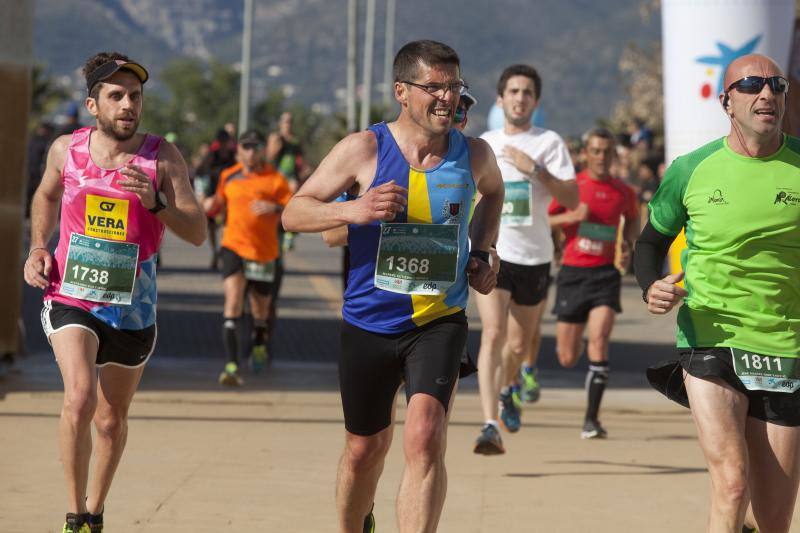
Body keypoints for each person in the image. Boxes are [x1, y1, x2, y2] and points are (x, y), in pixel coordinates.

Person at [282, 39, 503, 532]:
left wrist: (483, 250)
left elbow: (494, 192)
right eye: (435, 87)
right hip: (369, 323)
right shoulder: (364, 149)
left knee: (425, 437)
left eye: (454, 86)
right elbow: (293, 213)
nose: (447, 97)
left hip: (438, 320)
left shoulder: (475, 154)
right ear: (402, 91)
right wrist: (354, 209)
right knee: (364, 449)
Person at [23, 52, 206, 533]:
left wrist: (156, 203)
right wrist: (38, 247)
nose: (128, 105)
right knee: (80, 398)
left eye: (135, 96)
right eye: (117, 96)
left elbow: (197, 232)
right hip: (71, 294)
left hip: (132, 307)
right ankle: (73, 515)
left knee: (109, 420)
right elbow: (45, 194)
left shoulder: (162, 157)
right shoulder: (66, 150)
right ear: (93, 104)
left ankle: (95, 511)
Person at [636, 53, 800, 532]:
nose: (766, 94)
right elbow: (649, 243)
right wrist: (650, 287)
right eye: (752, 85)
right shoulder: (692, 169)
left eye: (777, 85)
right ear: (727, 101)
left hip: (783, 343)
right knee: (731, 482)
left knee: (774, 519)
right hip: (709, 338)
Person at [473, 64, 578, 455]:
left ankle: (507, 389)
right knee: (492, 333)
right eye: (513, 92)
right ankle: (489, 425)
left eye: (527, 92)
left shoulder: (548, 143)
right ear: (500, 100)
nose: (520, 98)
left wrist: (535, 170)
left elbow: (572, 199)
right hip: (494, 252)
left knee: (517, 347)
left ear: (536, 100)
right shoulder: (485, 144)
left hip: (534, 258)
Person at [547, 128, 638, 439]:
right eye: (596, 151)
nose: (601, 157)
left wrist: (627, 243)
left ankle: (591, 420)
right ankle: (579, 343)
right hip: (573, 274)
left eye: (607, 151)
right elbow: (545, 220)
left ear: (614, 155)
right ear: (586, 153)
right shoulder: (572, 187)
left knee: (599, 340)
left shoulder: (623, 192)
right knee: (567, 357)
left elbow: (633, 220)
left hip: (605, 276)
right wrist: (571, 218)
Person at [204, 130, 292, 386]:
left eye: (256, 147)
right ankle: (232, 366)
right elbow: (218, 204)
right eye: (246, 147)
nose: (251, 152)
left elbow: (294, 209)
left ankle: (258, 345)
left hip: (264, 252)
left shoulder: (275, 179)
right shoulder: (228, 175)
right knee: (232, 303)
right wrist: (209, 205)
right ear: (239, 150)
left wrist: (275, 207)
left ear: (262, 150)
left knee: (259, 311)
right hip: (233, 247)